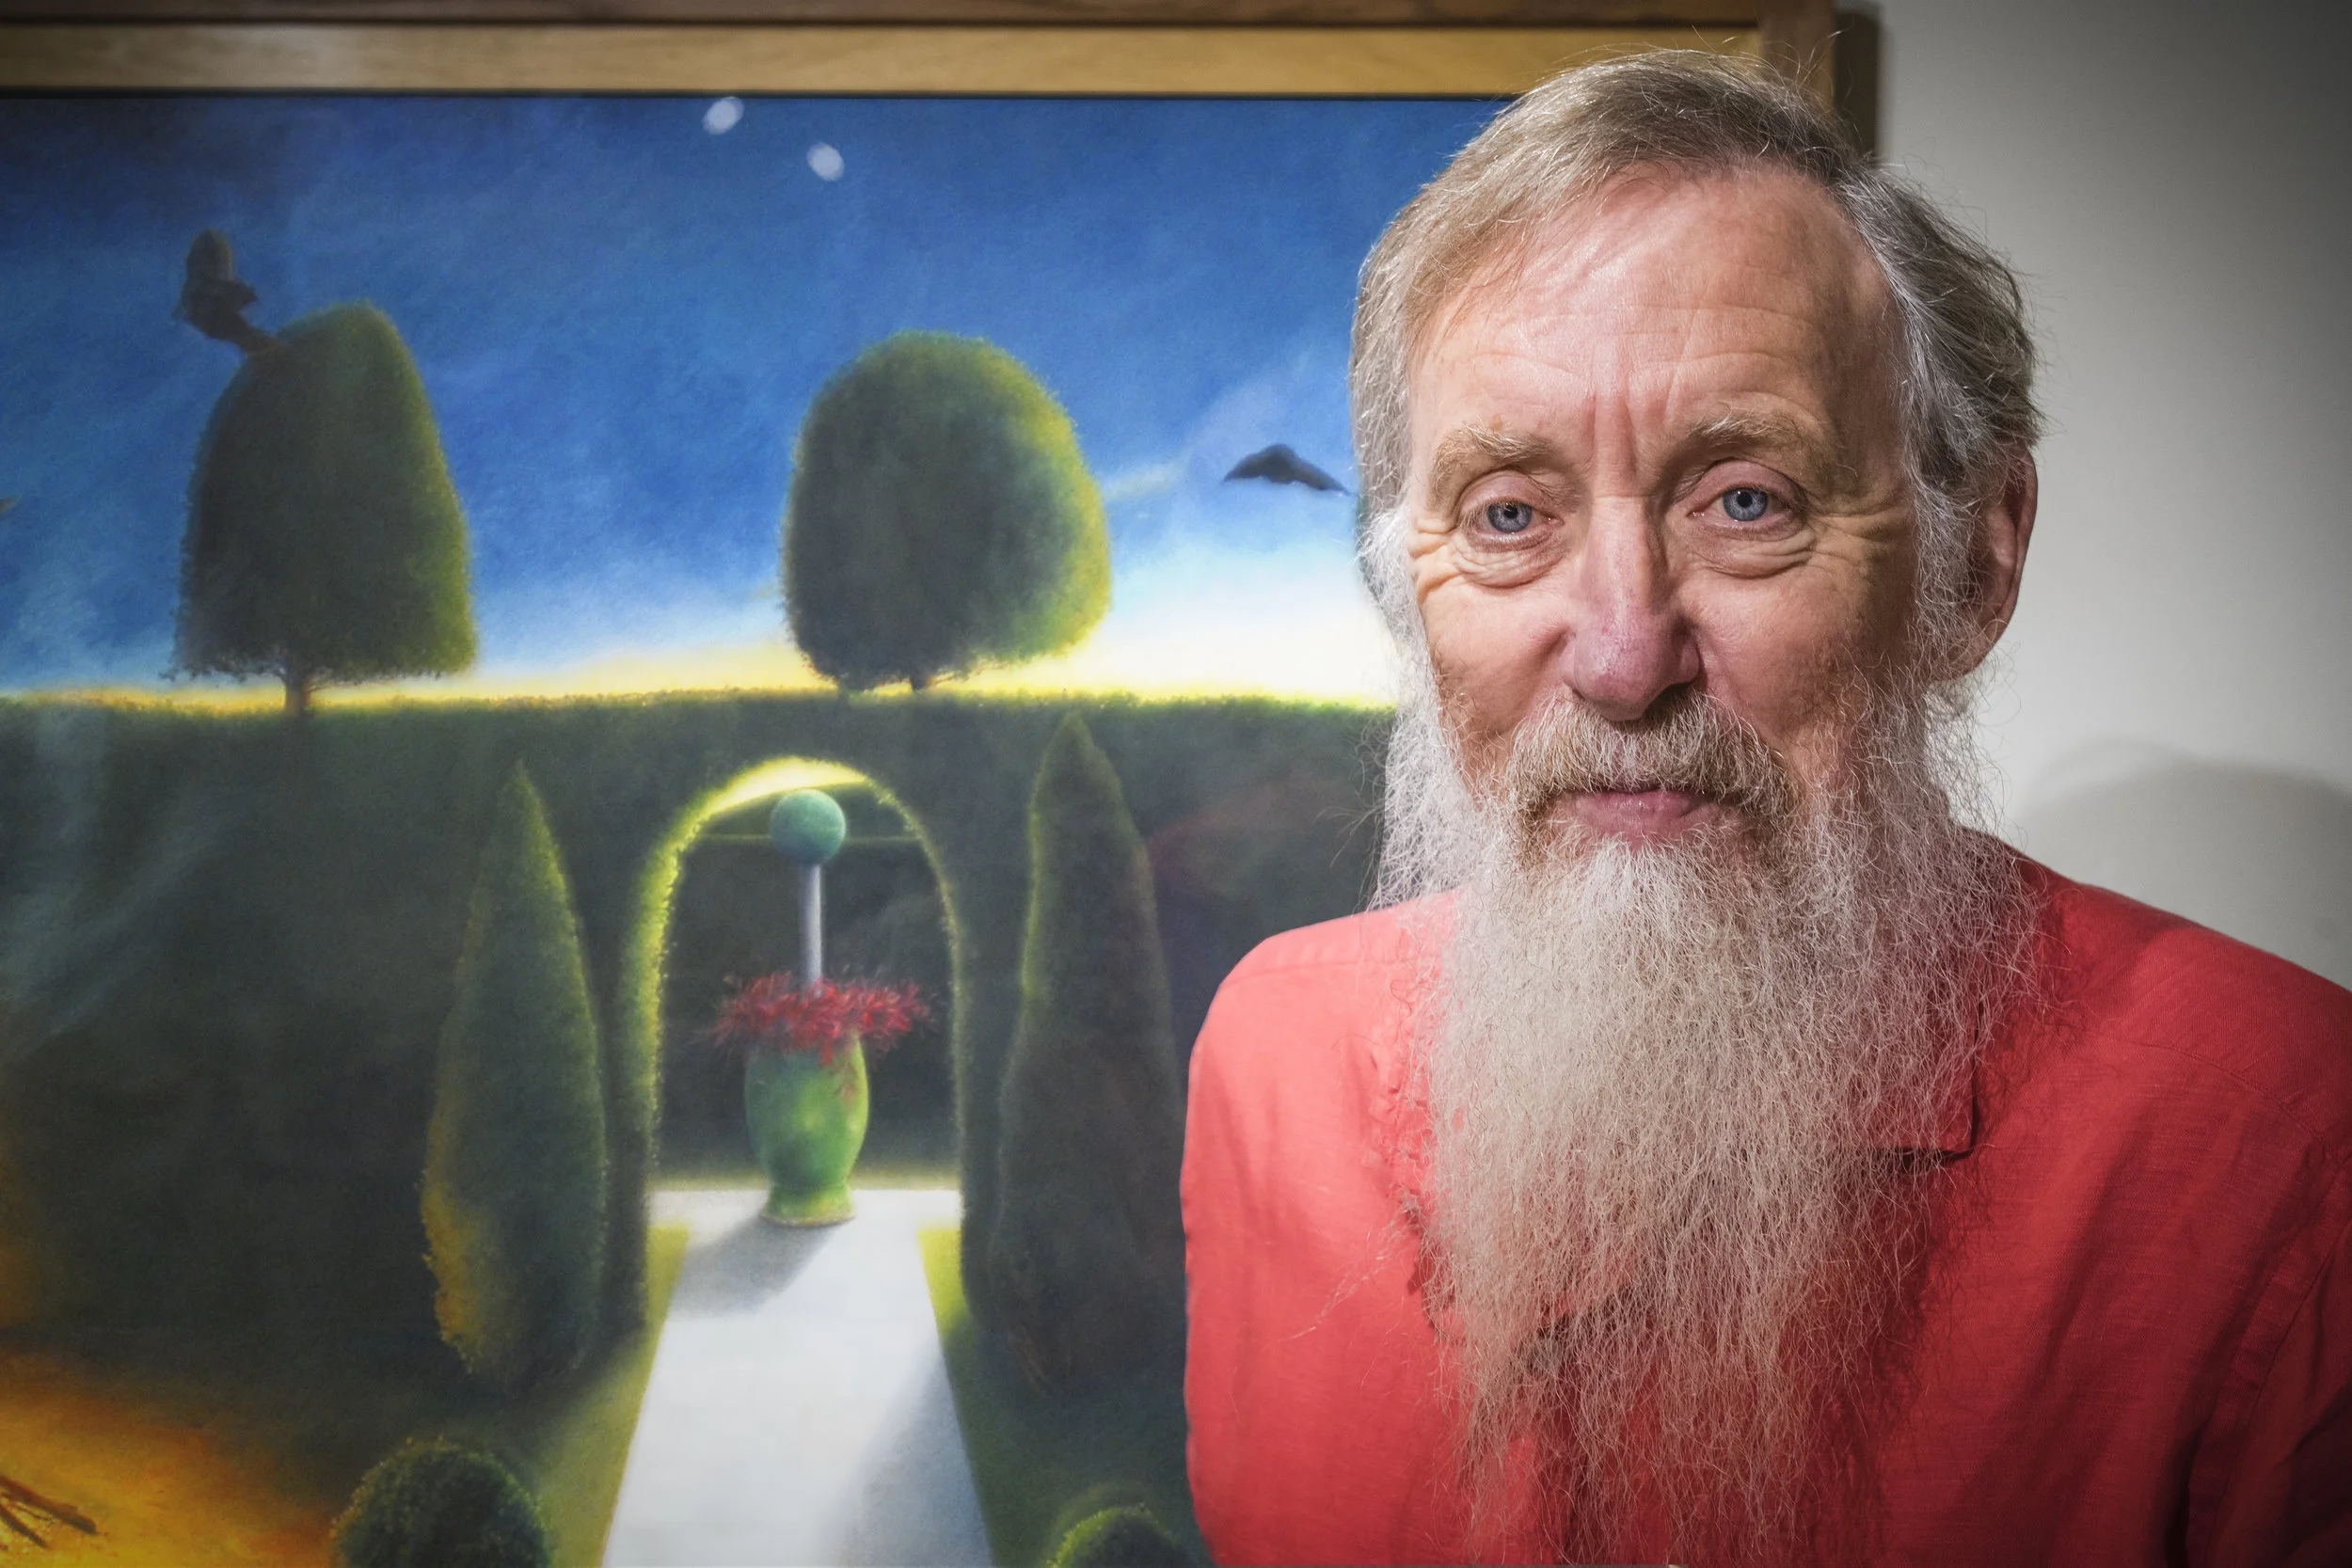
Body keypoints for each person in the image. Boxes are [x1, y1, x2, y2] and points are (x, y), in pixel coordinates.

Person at [1182, 51, 2352, 1568]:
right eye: (1510, 515)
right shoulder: (1271, 1063)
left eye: (1748, 500)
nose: (1623, 659)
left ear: (1975, 564)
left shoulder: (2286, 1147)